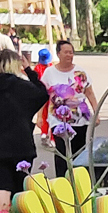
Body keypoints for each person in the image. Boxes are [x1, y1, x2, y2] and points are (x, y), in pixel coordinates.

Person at [0, 48, 49, 213]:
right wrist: (29, 70)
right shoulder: (23, 86)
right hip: (21, 143)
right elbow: (42, 94)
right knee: (20, 185)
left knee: (2, 185)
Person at [40, 38, 98, 178]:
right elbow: (42, 96)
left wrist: (96, 112)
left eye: (71, 52)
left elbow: (89, 93)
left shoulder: (80, 72)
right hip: (58, 119)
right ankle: (62, 180)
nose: (69, 55)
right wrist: (39, 117)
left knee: (79, 152)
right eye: (66, 52)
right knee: (61, 150)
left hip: (79, 118)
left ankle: (79, 181)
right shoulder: (49, 73)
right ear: (58, 54)